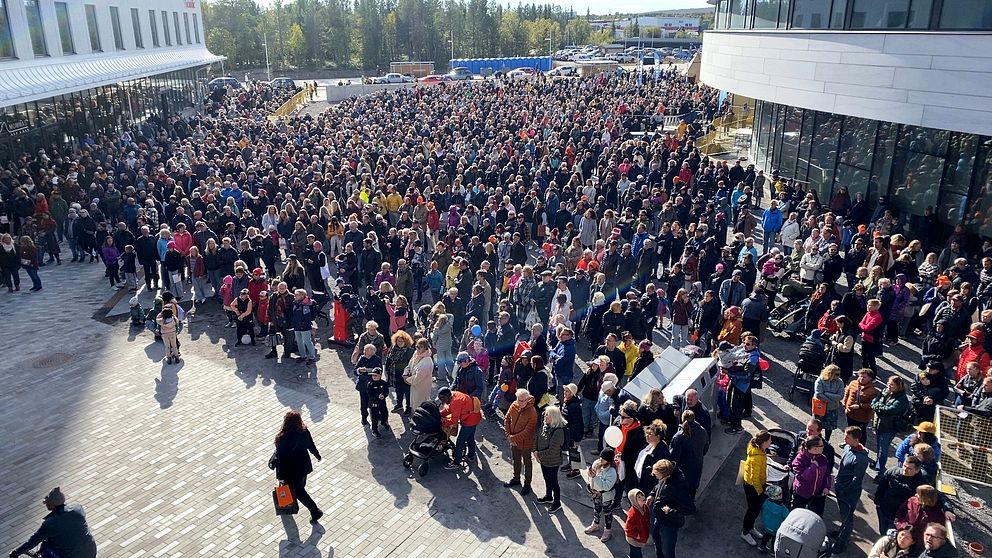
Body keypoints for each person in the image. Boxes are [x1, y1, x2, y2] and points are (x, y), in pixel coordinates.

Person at [8, 487, 97, 558]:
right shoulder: (77, 508)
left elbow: (32, 542)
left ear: (50, 505)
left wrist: (15, 553)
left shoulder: (50, 524)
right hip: (90, 550)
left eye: (47, 503)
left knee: (47, 546)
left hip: (71, 555)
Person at [268, 411, 323, 523]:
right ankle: (311, 510)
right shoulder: (304, 431)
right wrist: (317, 455)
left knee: (298, 492)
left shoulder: (282, 438)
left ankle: (315, 511)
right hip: (303, 468)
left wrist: (280, 476)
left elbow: (281, 459)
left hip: (290, 471)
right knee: (299, 488)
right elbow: (311, 445)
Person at [646, 458, 696, 558]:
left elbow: (690, 509)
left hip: (669, 524)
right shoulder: (665, 477)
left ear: (664, 474)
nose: (655, 476)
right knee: (658, 545)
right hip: (658, 519)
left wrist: (670, 511)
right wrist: (652, 494)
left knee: (667, 551)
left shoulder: (677, 487)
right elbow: (658, 486)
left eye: (656, 474)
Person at [832, 426, 870, 554]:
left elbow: (856, 480)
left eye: (847, 437)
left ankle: (841, 544)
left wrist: (844, 491)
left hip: (848, 493)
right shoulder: (848, 447)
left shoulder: (861, 459)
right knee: (843, 516)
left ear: (856, 440)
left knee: (847, 519)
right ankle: (841, 533)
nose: (844, 439)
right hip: (840, 486)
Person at [874, 455, 926, 533]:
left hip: (900, 518)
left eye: (909, 468)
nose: (905, 469)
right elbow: (882, 487)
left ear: (917, 470)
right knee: (883, 531)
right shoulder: (892, 472)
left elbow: (936, 495)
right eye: (904, 466)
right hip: (884, 510)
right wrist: (877, 502)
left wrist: (947, 509)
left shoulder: (921, 483)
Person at [872, 375, 911, 474]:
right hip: (879, 424)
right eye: (888, 383)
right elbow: (874, 401)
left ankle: (879, 472)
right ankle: (878, 463)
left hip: (889, 428)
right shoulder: (885, 391)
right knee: (879, 447)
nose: (889, 386)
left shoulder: (902, 399)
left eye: (892, 385)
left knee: (883, 449)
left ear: (898, 386)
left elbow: (890, 410)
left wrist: (878, 407)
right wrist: (879, 407)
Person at [503, 388, 538, 495]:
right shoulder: (514, 405)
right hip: (513, 441)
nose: (520, 402)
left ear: (527, 400)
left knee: (527, 463)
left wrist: (512, 438)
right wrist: (509, 435)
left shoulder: (532, 412)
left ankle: (527, 484)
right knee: (516, 460)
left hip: (525, 443)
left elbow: (528, 431)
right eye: (519, 400)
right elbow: (507, 419)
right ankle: (516, 479)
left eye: (523, 400)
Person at [740, 430, 771, 546]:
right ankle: (745, 532)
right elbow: (754, 478)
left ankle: (750, 527)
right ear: (764, 442)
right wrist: (760, 491)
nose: (771, 442)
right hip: (753, 487)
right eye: (769, 440)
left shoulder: (760, 450)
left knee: (755, 510)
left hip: (756, 485)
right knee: (752, 510)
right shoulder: (757, 457)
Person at [440, 386, 482, 469]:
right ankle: (470, 456)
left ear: (447, 397)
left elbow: (454, 420)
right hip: (474, 417)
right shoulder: (453, 394)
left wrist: (442, 422)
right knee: (470, 438)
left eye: (442, 399)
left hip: (469, 421)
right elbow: (449, 409)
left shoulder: (455, 402)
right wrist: (440, 414)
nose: (442, 402)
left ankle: (456, 462)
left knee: (460, 441)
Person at [534, 405, 567, 513]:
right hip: (543, 460)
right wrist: (535, 451)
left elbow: (552, 450)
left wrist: (538, 455)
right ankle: (548, 497)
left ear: (553, 417)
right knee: (547, 479)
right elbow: (537, 437)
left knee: (553, 482)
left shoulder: (558, 432)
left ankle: (557, 503)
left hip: (552, 462)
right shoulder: (545, 425)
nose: (545, 416)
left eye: (547, 415)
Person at [790, 435, 832, 517]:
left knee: (816, 515)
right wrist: (812, 467)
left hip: (818, 493)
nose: (824, 447)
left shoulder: (823, 458)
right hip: (802, 493)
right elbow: (801, 477)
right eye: (822, 445)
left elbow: (827, 474)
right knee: (796, 514)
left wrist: (826, 486)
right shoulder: (799, 459)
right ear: (815, 448)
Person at [584, 448, 620, 543]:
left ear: (608, 460)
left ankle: (608, 530)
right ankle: (595, 524)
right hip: (596, 494)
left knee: (607, 513)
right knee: (596, 509)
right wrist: (591, 485)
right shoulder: (596, 463)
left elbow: (606, 486)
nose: (600, 460)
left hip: (606, 497)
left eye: (603, 458)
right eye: (600, 457)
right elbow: (591, 476)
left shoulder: (611, 472)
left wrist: (594, 477)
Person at [843, 368, 880, 445]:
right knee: (850, 430)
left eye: (864, 377)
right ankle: (848, 443)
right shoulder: (853, 383)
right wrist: (845, 404)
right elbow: (847, 393)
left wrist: (860, 406)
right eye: (860, 376)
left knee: (860, 433)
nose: (861, 378)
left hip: (862, 417)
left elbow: (872, 405)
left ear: (870, 379)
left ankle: (860, 446)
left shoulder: (873, 391)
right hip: (850, 413)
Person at [813, 364, 845, 440]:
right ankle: (816, 440)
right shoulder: (820, 380)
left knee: (829, 427)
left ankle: (827, 440)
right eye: (837, 374)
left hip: (832, 409)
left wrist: (827, 394)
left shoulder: (840, 382)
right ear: (830, 373)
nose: (839, 376)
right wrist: (833, 399)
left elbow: (840, 396)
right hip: (820, 408)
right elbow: (818, 394)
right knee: (817, 426)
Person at [354, 344, 382, 426]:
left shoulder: (377, 359)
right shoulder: (362, 358)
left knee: (374, 402)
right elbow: (355, 371)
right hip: (363, 386)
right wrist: (359, 370)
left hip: (373, 386)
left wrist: (367, 370)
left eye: (367, 350)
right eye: (365, 350)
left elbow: (379, 371)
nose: (364, 352)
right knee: (363, 403)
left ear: (372, 352)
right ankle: (364, 417)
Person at [757, 484, 789, 553]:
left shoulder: (765, 502)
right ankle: (773, 551)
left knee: (766, 536)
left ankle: (762, 546)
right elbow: (787, 518)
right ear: (777, 496)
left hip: (766, 525)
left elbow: (762, 509)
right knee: (775, 540)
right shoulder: (783, 509)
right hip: (776, 528)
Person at [405, 338, 435, 410]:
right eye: (416, 346)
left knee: (420, 407)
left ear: (425, 348)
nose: (417, 349)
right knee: (414, 405)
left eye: (419, 347)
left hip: (422, 388)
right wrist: (405, 373)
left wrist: (407, 379)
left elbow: (418, 378)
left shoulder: (427, 361)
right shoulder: (416, 354)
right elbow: (409, 365)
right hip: (414, 387)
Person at [290, 289, 317, 365]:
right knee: (299, 342)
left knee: (307, 341)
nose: (294, 296)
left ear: (302, 296)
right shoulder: (295, 303)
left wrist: (303, 325)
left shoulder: (306, 304)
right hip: (297, 325)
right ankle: (303, 356)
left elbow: (307, 317)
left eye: (296, 295)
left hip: (304, 327)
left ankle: (312, 357)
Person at [624, 488, 651, 558]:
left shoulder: (645, 507)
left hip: (640, 537)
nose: (642, 497)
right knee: (637, 554)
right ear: (634, 500)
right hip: (634, 539)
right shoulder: (632, 514)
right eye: (638, 497)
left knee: (635, 552)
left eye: (642, 495)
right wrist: (637, 535)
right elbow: (628, 529)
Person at [367, 368, 391, 438]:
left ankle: (384, 422)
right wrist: (377, 396)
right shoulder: (370, 384)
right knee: (374, 418)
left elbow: (386, 391)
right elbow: (370, 394)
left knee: (385, 414)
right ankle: (374, 430)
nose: (373, 377)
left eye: (376, 375)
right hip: (373, 404)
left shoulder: (383, 383)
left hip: (382, 403)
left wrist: (384, 395)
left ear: (380, 375)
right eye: (373, 375)